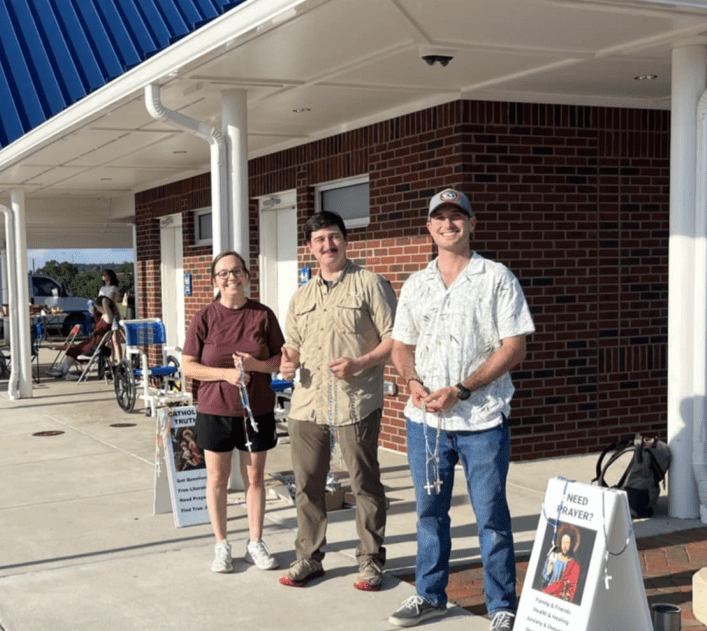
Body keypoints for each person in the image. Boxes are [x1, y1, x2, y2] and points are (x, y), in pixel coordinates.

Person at [388, 188, 534, 631]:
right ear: (429, 228)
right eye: (440, 218)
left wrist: (463, 389)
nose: (448, 224)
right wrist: (411, 381)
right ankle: (429, 594)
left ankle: (501, 604)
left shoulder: (496, 278)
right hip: (425, 423)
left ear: (472, 224)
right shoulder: (417, 283)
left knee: (491, 517)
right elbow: (400, 346)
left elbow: (515, 347)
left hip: (482, 420)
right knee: (429, 513)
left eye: (457, 217)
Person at [277, 211, 397, 591]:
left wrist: (361, 362)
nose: (327, 245)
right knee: (307, 483)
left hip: (354, 400)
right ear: (310, 248)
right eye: (319, 240)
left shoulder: (370, 284)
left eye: (333, 237)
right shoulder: (301, 296)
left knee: (364, 482)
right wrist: (287, 363)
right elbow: (292, 348)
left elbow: (395, 339)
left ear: (346, 240)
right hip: (308, 402)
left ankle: (370, 561)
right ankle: (309, 559)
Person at [181, 251, 284, 574]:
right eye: (223, 273)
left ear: (246, 276)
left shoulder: (263, 315)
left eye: (236, 271)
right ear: (215, 281)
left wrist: (255, 365)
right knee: (217, 479)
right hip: (215, 409)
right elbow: (188, 366)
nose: (231, 278)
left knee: (255, 478)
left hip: (256, 410)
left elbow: (280, 360)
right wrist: (225, 374)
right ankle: (222, 544)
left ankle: (255, 542)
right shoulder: (205, 317)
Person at [49, 295, 119, 380]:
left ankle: (63, 370)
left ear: (103, 306)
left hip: (95, 346)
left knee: (74, 350)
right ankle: (62, 369)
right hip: (92, 342)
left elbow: (108, 314)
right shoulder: (104, 316)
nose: (98, 309)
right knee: (73, 349)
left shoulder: (109, 317)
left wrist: (104, 300)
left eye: (99, 307)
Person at [541, 526, 581, 602]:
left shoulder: (574, 565)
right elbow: (544, 581)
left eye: (567, 543)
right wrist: (548, 573)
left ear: (572, 544)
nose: (565, 546)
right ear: (560, 543)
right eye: (563, 542)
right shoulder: (553, 558)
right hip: (547, 596)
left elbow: (571, 586)